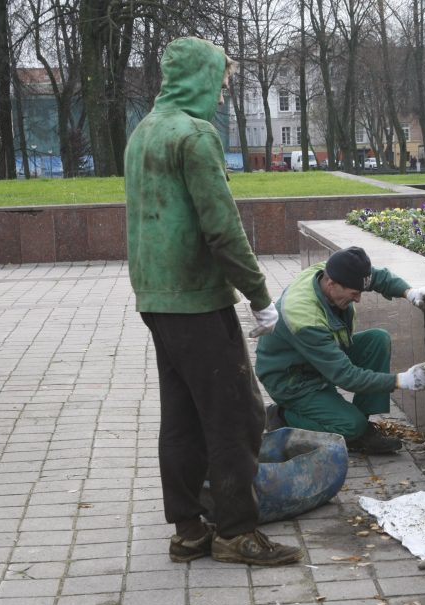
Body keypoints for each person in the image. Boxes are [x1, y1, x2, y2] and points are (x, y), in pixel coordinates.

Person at [124, 36, 302, 567]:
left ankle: (188, 530)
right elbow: (222, 228)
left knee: (181, 416)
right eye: (222, 79)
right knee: (237, 415)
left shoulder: (144, 132)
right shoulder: (194, 134)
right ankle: (236, 533)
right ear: (201, 77)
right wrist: (260, 297)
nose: (224, 91)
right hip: (198, 300)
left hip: (156, 298)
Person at [255, 246, 425, 454]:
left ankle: (363, 429)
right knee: (350, 426)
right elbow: (345, 376)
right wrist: (402, 380)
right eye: (354, 294)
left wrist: (409, 292)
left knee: (377, 340)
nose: (358, 299)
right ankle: (281, 417)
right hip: (291, 380)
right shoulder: (303, 317)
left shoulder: (335, 272)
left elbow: (377, 277)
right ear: (331, 284)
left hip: (314, 360)